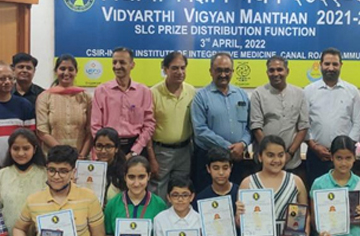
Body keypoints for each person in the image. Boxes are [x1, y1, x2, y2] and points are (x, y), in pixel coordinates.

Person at [191, 52, 252, 192]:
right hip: (209, 159)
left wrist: (242, 144)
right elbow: (200, 130)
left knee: (236, 197)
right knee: (209, 199)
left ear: (232, 72)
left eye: (227, 70)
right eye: (219, 70)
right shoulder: (201, 96)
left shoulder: (241, 94)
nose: (223, 74)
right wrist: (229, 147)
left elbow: (249, 126)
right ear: (211, 72)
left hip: (237, 159)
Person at [304, 48, 360, 189]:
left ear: (341, 65)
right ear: (320, 65)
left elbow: (358, 123)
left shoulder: (352, 91)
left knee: (345, 197)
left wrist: (345, 150)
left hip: (344, 158)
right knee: (316, 195)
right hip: (316, 155)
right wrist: (313, 146)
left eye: (335, 64)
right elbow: (303, 123)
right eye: (327, 64)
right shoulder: (308, 91)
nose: (331, 68)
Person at [249, 56, 309, 175]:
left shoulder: (299, 94)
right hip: (265, 162)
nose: (276, 73)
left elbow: (303, 127)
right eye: (271, 70)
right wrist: (271, 153)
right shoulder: (258, 94)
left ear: (287, 71)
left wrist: (289, 154)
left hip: (291, 161)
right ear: (267, 73)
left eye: (280, 69)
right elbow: (256, 127)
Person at [91, 47, 154, 159]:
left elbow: (149, 125)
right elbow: (95, 126)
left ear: (132, 65)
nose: (117, 66)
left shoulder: (144, 91)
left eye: (122, 62)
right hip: (108, 148)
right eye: (114, 62)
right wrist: (104, 149)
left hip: (136, 147)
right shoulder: (101, 90)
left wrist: (135, 151)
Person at [147, 52, 196, 199]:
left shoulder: (191, 91)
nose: (180, 72)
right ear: (165, 69)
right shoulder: (153, 93)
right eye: (175, 68)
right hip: (161, 152)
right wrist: (152, 158)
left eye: (183, 68)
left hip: (185, 151)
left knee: (181, 189)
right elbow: (147, 128)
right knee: (158, 190)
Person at [36, 55, 92, 158]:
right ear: (55, 71)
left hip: (81, 157)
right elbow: (42, 131)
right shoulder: (45, 97)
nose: (66, 73)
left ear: (76, 71)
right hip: (54, 156)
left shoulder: (86, 97)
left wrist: (82, 155)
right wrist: (64, 153)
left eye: (71, 69)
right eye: (62, 69)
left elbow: (90, 130)